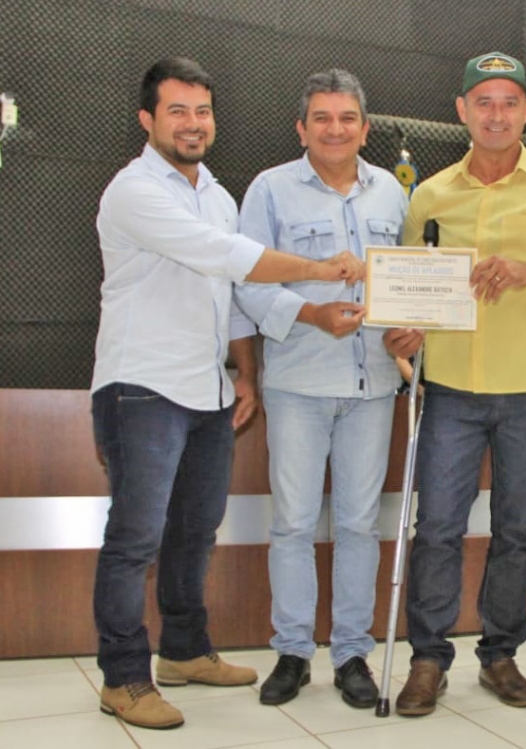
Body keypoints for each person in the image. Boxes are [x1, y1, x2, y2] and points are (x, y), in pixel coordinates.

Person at [91, 56, 362, 731]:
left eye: (202, 111)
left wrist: (246, 370)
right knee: (135, 537)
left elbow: (234, 297)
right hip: (142, 387)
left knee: (193, 532)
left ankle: (184, 650)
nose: (192, 123)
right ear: (148, 119)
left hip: (207, 390)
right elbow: (229, 258)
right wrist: (320, 269)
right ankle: (124, 676)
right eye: (177, 110)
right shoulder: (134, 190)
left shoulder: (213, 190)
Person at [382, 51, 526, 717]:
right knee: (437, 529)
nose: (495, 113)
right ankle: (428, 658)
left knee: (516, 529)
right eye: (482, 101)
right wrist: (402, 335)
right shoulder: (428, 194)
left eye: (508, 102)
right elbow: (408, 292)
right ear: (461, 111)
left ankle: (500, 653)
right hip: (451, 389)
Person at [233, 68, 407, 708]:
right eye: (323, 118)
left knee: (361, 524)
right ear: (302, 127)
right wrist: (311, 314)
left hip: (374, 384)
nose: (336, 129)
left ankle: (354, 654)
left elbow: (412, 280)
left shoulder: (392, 192)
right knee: (295, 523)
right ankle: (293, 652)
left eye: (348, 118)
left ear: (364, 127)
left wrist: (411, 330)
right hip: (298, 382)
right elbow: (247, 281)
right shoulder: (270, 190)